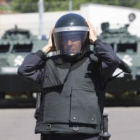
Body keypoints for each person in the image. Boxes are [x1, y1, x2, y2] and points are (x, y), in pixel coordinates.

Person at [18, 13, 120, 140]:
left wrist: (96, 41)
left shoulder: (95, 65)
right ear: (58, 41)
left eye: (75, 38)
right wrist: (47, 48)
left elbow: (113, 60)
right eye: (66, 39)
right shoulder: (49, 65)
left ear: (85, 39)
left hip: (87, 135)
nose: (70, 43)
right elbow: (24, 70)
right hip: (53, 134)